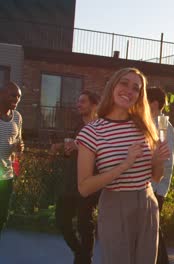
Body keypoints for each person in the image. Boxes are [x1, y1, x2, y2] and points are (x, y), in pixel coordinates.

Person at [76, 68, 170, 264]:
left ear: (139, 96)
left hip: (147, 203)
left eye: (136, 88)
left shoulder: (144, 127)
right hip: (115, 205)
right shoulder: (92, 132)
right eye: (124, 83)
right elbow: (84, 188)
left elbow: (156, 177)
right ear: (113, 86)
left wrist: (158, 161)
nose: (129, 90)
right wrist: (124, 165)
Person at [51, 90, 101, 264]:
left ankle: (84, 259)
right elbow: (74, 148)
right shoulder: (79, 126)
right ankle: (81, 255)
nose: (78, 104)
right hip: (71, 182)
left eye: (83, 102)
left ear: (94, 105)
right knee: (62, 220)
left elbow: (101, 152)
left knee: (84, 224)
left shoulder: (101, 127)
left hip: (89, 181)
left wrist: (77, 146)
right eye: (78, 101)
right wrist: (64, 148)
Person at [146, 87, 174, 264]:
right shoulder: (154, 123)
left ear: (154, 104)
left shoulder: (162, 126)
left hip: (155, 187)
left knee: (153, 233)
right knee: (152, 232)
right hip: (153, 186)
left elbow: (162, 158)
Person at [0, 81, 23, 238]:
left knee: (2, 217)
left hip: (5, 177)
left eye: (19, 96)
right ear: (1, 94)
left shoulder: (17, 117)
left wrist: (20, 146)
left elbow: (19, 140)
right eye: (13, 95)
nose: (17, 99)